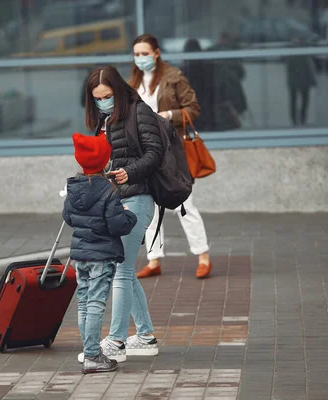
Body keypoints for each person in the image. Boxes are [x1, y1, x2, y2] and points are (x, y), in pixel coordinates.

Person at [80, 65, 163, 363]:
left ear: (118, 90)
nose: (103, 101)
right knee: (122, 270)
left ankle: (116, 341)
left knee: (121, 270)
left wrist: (129, 171)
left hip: (138, 199)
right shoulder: (104, 120)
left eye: (107, 95)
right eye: (97, 98)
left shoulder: (138, 112)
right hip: (117, 201)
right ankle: (145, 335)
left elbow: (155, 152)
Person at [128, 34, 212, 280]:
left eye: (144, 53)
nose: (140, 58)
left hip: (173, 151)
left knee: (185, 205)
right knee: (149, 206)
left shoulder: (173, 77)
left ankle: (202, 255)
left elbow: (193, 109)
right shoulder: (133, 81)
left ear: (156, 53)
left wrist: (167, 115)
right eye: (136, 54)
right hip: (145, 152)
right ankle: (154, 259)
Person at [63, 133, 138, 374]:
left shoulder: (73, 187)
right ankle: (93, 355)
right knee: (95, 303)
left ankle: (89, 351)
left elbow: (68, 217)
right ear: (105, 161)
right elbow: (118, 225)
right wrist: (130, 214)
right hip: (102, 255)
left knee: (84, 302)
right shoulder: (108, 190)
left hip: (80, 254)